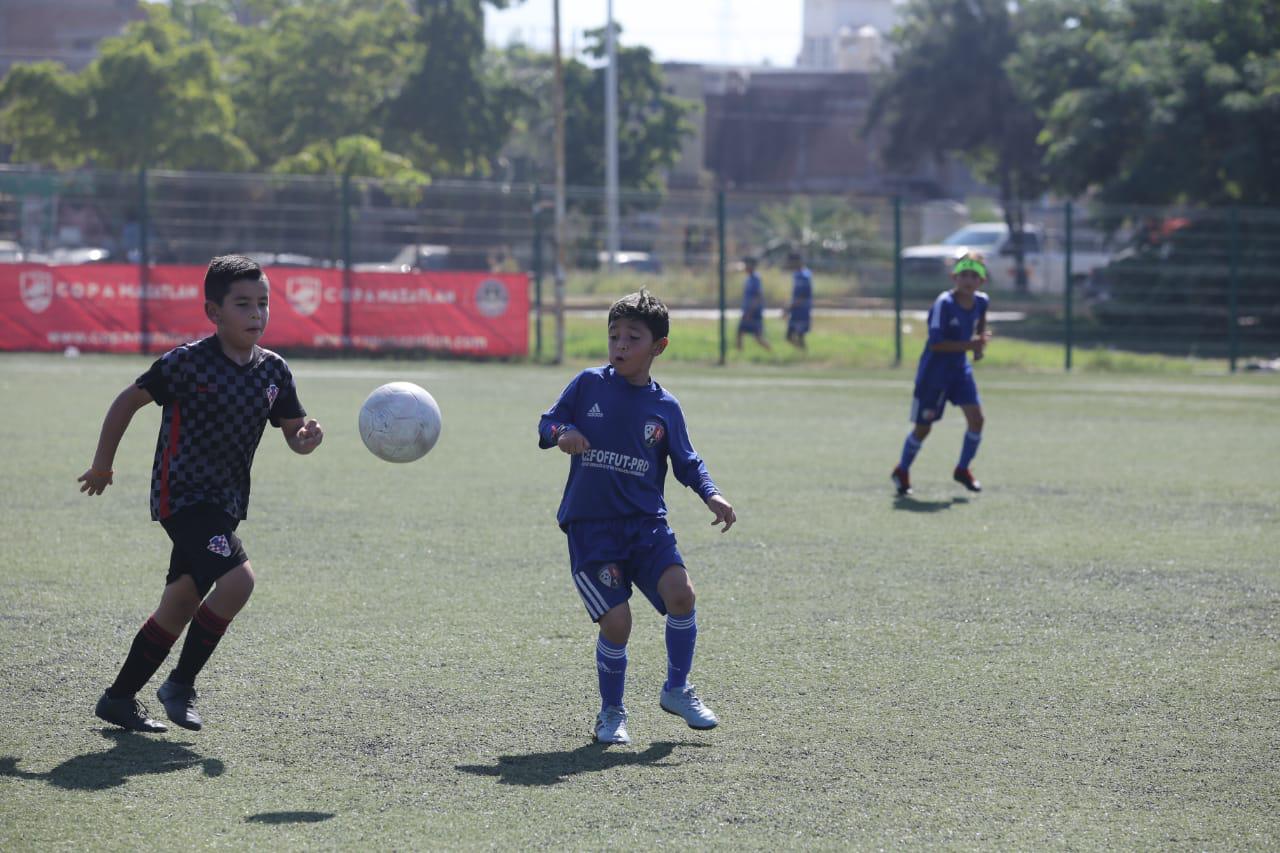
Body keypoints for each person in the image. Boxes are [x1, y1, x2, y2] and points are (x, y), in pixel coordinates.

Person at [78, 254, 324, 733]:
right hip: (184, 497)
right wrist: (103, 464)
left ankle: (119, 698)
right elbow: (128, 400)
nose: (257, 314)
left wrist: (306, 438)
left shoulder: (274, 372)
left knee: (181, 602)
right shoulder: (188, 363)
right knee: (239, 582)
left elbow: (294, 432)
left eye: (263, 303)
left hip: (226, 505)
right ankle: (180, 685)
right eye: (243, 304)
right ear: (213, 312)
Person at [538, 290, 737, 745]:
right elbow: (547, 423)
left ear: (658, 347)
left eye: (632, 337)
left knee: (681, 594)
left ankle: (677, 689)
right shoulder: (588, 384)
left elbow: (687, 461)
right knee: (618, 623)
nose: (620, 345)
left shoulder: (664, 407)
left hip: (647, 524)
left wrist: (712, 493)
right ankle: (611, 712)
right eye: (614, 336)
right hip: (592, 528)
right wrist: (563, 432)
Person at [891, 252, 991, 497]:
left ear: (982, 281)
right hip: (934, 374)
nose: (968, 280)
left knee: (977, 420)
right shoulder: (944, 304)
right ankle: (902, 470)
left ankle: (962, 469)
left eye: (974, 276)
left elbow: (981, 322)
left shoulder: (981, 301)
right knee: (924, 428)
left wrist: (978, 345)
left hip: (960, 371)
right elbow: (936, 344)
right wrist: (972, 346)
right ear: (953, 277)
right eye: (964, 275)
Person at [735, 257, 771, 351]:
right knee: (740, 334)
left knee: (757, 337)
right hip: (749, 311)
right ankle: (739, 355)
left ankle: (772, 353)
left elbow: (757, 297)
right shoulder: (749, 278)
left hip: (753, 312)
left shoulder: (755, 279)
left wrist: (749, 312)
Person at [783, 251, 813, 349]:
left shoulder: (805, 275)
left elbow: (804, 295)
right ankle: (802, 353)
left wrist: (790, 306)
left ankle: (804, 354)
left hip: (803, 310)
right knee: (789, 337)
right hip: (795, 310)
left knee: (800, 336)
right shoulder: (796, 275)